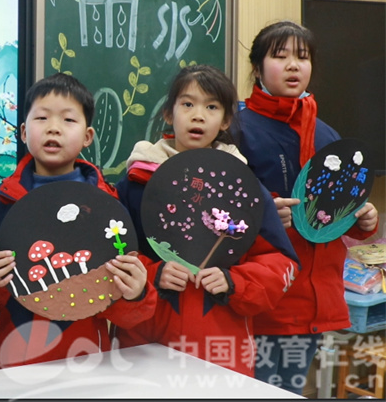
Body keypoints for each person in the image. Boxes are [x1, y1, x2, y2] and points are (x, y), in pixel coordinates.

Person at [114, 64, 301, 377]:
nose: (198, 115)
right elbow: (113, 256)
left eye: (212, 107)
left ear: (225, 120)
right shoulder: (136, 183)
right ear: (168, 113)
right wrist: (153, 274)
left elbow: (281, 262)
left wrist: (234, 282)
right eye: (187, 104)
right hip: (144, 348)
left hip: (220, 349)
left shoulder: (245, 188)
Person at [0, 73, 155, 372]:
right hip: (9, 368)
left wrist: (136, 293)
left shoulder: (108, 206)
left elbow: (128, 314)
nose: (53, 128)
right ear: (23, 132)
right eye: (42, 118)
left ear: (88, 136)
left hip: (86, 363)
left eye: (68, 120)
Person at [230, 21, 379, 394]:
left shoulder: (327, 135)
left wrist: (362, 220)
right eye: (280, 56)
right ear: (257, 68)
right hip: (261, 297)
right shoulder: (237, 129)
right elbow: (213, 211)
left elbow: (332, 212)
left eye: (302, 56)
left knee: (291, 391)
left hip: (313, 298)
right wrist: (262, 214)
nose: (293, 65)